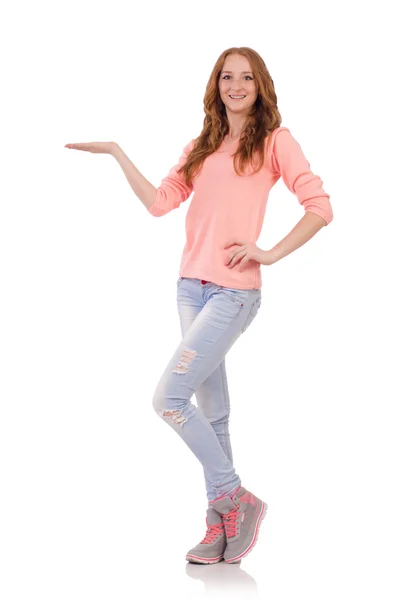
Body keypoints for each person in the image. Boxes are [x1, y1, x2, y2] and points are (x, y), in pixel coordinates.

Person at [64, 46, 333, 565]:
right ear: (216, 85)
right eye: (226, 77)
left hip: (233, 292)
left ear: (260, 87)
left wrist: (271, 252)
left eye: (246, 78)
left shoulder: (277, 141)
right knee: (214, 413)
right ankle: (219, 525)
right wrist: (119, 152)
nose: (235, 86)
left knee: (168, 398)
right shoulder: (202, 144)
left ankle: (237, 497)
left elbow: (320, 206)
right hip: (190, 288)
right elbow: (162, 202)